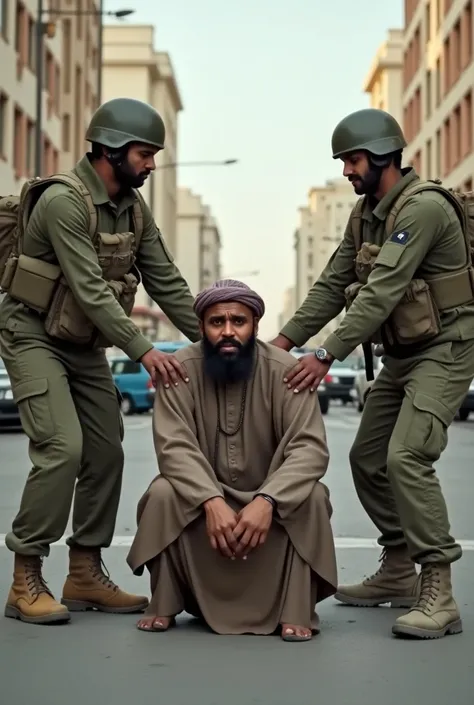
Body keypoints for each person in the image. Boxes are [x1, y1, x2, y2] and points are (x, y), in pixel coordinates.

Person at [271, 108, 474, 640]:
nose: (346, 171)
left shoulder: (423, 208)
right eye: (343, 162)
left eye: (353, 160)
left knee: (406, 456)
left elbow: (383, 289)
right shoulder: (366, 214)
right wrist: (283, 342)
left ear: (384, 156)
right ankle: (399, 568)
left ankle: (439, 591)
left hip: (448, 347)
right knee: (367, 458)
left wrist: (326, 354)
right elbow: (334, 282)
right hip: (403, 354)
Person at [0, 97, 202, 626]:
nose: (152, 165)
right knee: (62, 448)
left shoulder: (133, 208)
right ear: (110, 150)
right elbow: (90, 289)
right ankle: (26, 577)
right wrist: (145, 351)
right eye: (144, 153)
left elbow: (165, 278)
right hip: (32, 333)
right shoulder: (64, 202)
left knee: (106, 452)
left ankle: (85, 571)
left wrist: (216, 337)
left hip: (83, 342)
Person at [126, 279, 337, 642]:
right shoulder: (180, 369)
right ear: (201, 327)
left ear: (255, 325)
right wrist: (211, 501)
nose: (227, 331)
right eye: (216, 322)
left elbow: (309, 448)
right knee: (162, 492)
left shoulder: (286, 369)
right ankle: (163, 601)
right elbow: (174, 447)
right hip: (203, 500)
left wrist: (268, 500)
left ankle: (296, 608)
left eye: (238, 321)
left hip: (272, 500)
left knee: (313, 496)